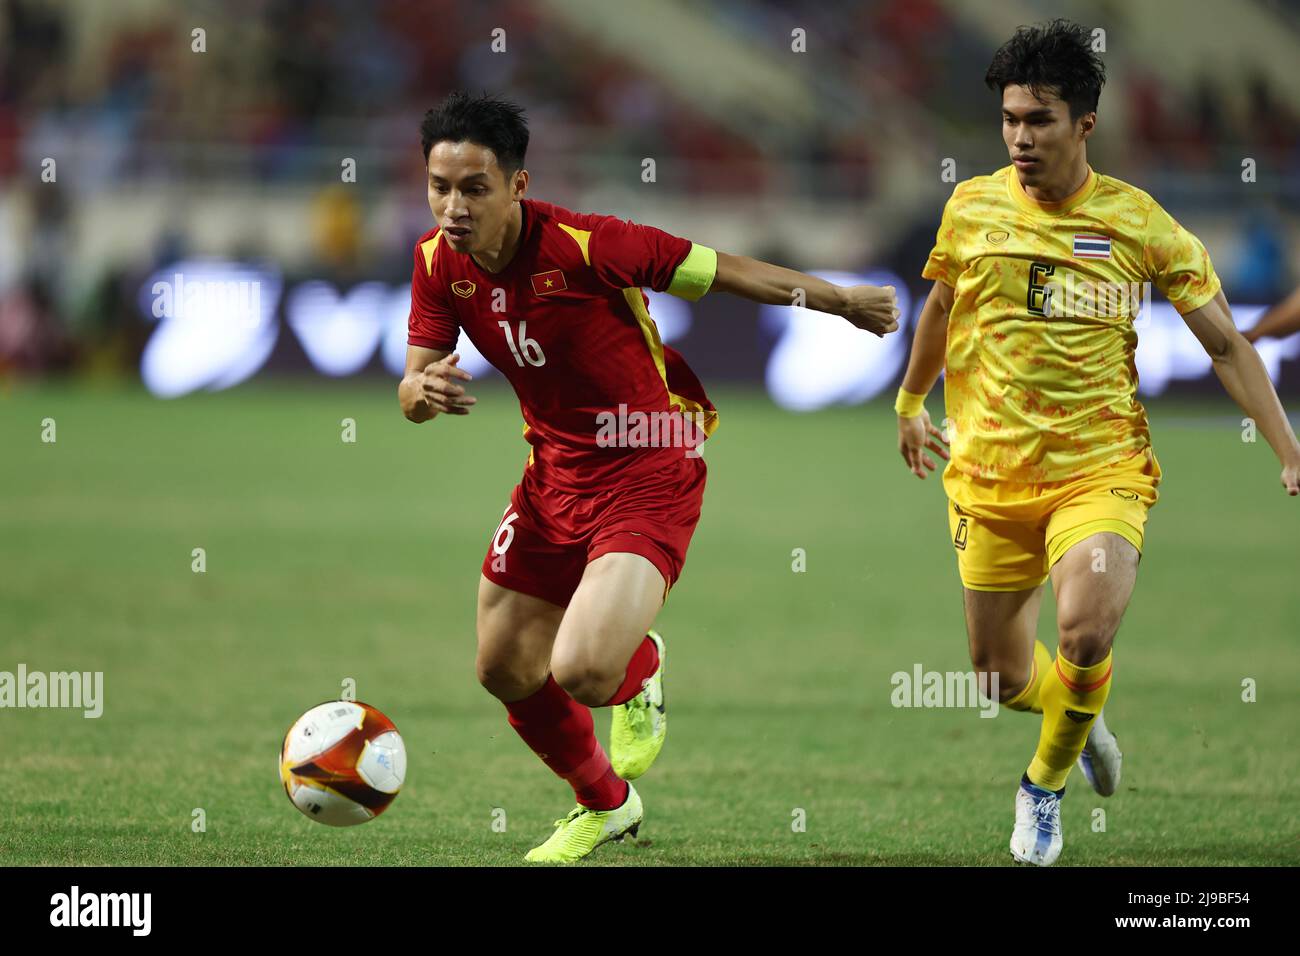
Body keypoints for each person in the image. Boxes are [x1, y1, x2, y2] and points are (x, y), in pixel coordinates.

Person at [399, 91, 900, 862]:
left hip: (650, 461)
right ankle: (606, 805)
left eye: (474, 188)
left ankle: (641, 665)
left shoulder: (591, 245)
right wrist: (421, 394)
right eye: (439, 186)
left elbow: (723, 270)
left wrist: (837, 300)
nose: (453, 206)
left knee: (583, 671)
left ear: (518, 187)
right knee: (502, 667)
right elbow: (412, 386)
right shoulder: (437, 263)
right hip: (552, 473)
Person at [893, 20, 1300, 866]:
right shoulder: (971, 206)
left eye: (1038, 121)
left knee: (1083, 632)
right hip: (987, 472)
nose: (1018, 138)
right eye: (1009, 119)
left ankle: (1042, 787)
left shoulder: (1139, 223)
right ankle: (1078, 716)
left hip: (1100, 468)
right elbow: (937, 308)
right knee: (1000, 678)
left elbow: (1227, 345)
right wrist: (907, 400)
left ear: (1084, 124)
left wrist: (1288, 448)